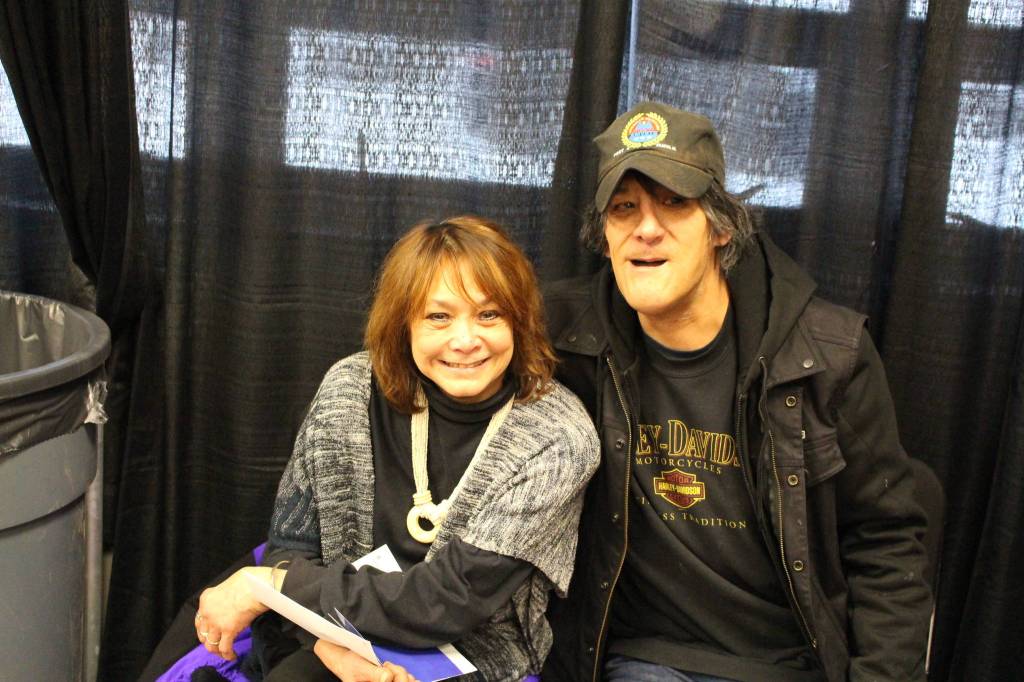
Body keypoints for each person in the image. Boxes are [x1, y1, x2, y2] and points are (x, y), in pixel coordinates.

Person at [541, 102, 932, 682]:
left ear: (722, 228)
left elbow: (887, 539)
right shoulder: (562, 336)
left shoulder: (826, 354)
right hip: (639, 657)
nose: (647, 227)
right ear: (604, 239)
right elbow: (435, 349)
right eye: (624, 209)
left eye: (674, 202)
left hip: (786, 662)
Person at [193, 216, 600, 681]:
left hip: (473, 657)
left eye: (490, 314)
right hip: (330, 632)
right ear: (403, 322)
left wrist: (269, 585)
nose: (465, 341)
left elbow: (446, 601)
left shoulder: (559, 438)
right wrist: (333, 649)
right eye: (438, 317)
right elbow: (292, 545)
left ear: (520, 320)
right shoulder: (348, 389)